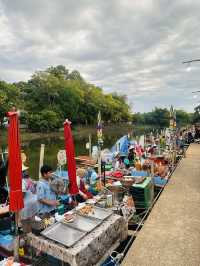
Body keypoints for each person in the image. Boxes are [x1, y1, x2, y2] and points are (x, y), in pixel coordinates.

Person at [20, 164, 38, 233]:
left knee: (25, 223)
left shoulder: (21, 181)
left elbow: (23, 194)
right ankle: (33, 233)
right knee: (33, 220)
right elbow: (35, 190)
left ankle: (27, 236)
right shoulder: (30, 179)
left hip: (26, 205)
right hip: (34, 202)